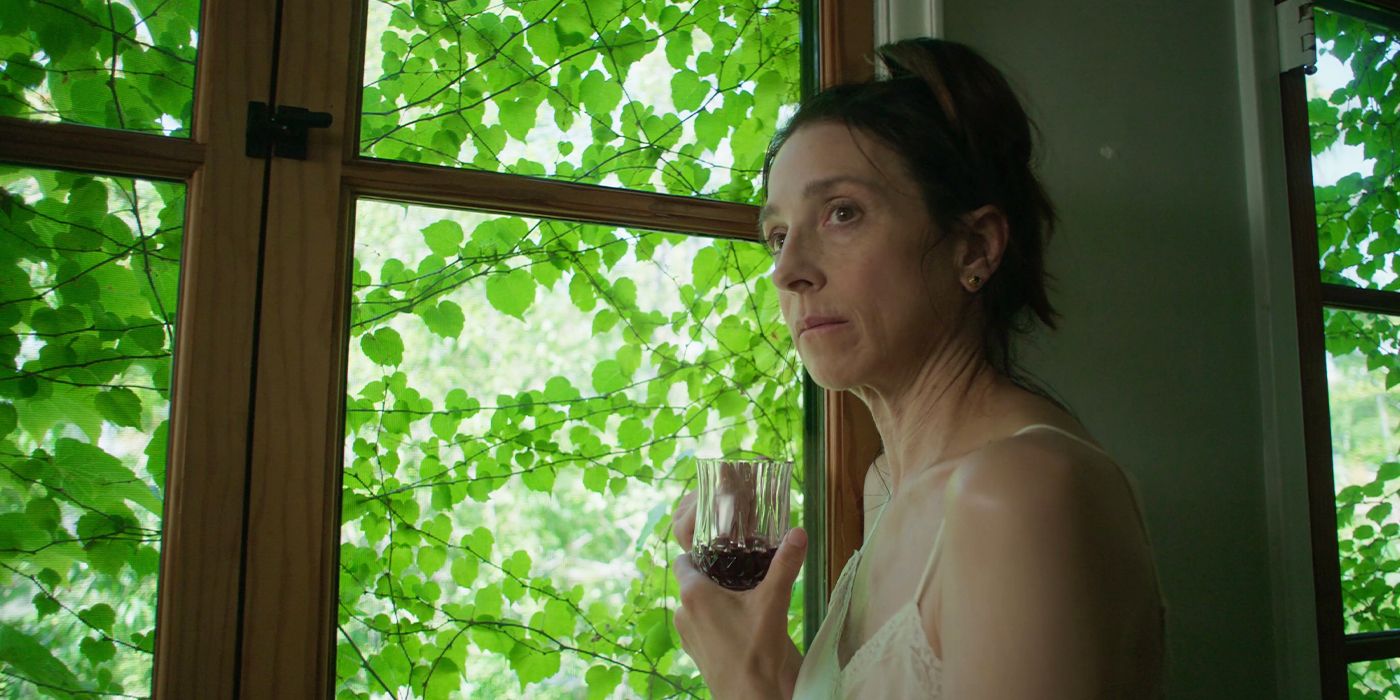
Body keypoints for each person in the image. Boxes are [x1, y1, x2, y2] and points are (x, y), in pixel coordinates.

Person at [668, 37, 1167, 699]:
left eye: (843, 213)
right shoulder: (886, 490)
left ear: (975, 247)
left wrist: (746, 685)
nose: (788, 272)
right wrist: (772, 664)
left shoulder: (1019, 492)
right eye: (778, 236)